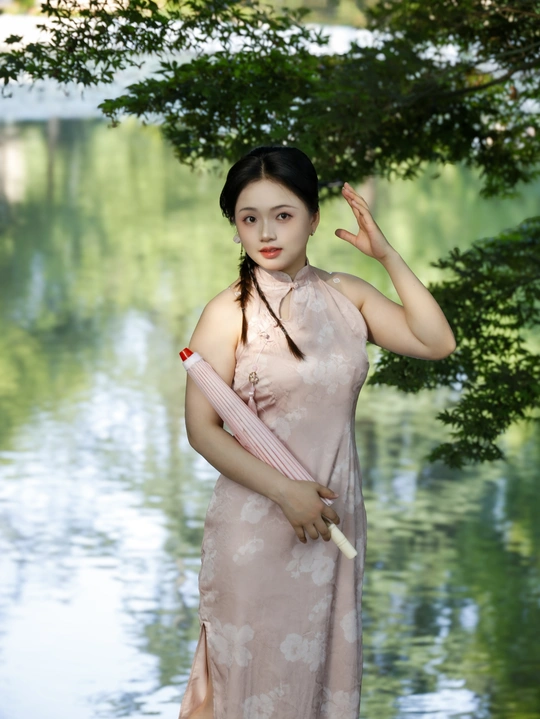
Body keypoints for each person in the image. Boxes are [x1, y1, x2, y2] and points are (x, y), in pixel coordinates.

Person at [178, 146, 455, 719]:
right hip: (258, 530)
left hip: (334, 524)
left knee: (322, 688)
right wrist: (286, 492)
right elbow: (202, 430)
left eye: (282, 215)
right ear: (235, 226)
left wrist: (387, 256)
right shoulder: (228, 313)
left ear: (312, 218)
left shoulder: (346, 294)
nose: (266, 233)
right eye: (249, 218)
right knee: (253, 693)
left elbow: (436, 342)